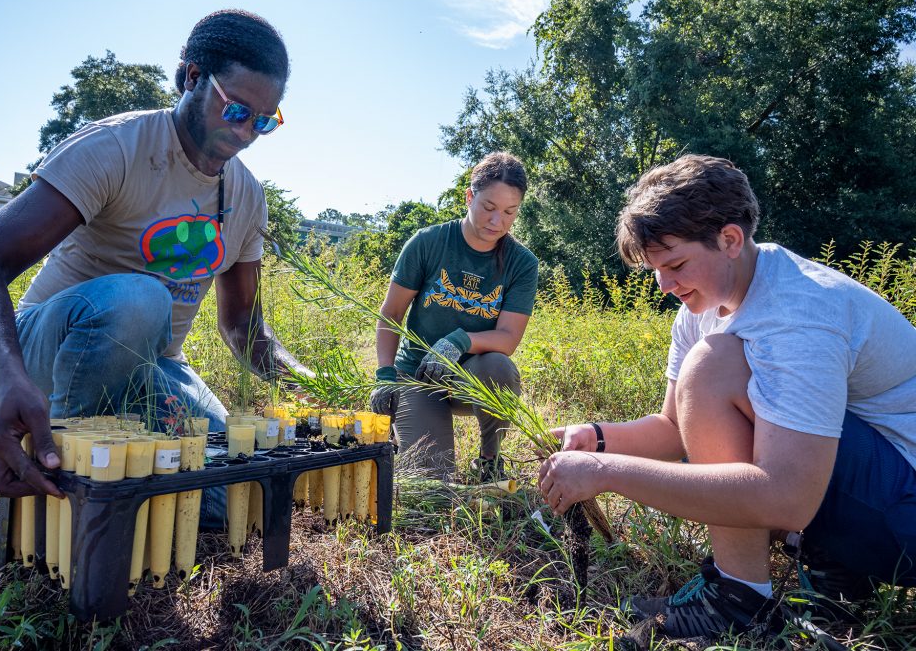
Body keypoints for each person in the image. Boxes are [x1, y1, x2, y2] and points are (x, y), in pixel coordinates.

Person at [0, 9, 311, 526]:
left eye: (266, 121)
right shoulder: (117, 148)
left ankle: (123, 480)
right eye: (237, 111)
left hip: (148, 369)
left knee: (238, 493)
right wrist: (7, 376)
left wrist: (309, 383)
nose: (248, 131)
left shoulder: (246, 197)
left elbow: (242, 325)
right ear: (191, 78)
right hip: (50, 348)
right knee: (142, 302)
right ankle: (69, 476)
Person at [538, 154, 916, 640]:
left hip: (904, 507)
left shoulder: (799, 311)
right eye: (656, 269)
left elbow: (787, 499)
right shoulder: (705, 305)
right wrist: (595, 438)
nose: (664, 285)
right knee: (715, 367)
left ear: (730, 239)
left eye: (675, 264)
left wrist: (605, 474)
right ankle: (836, 581)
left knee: (713, 366)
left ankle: (738, 600)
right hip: (872, 490)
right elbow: (676, 429)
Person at [369, 152, 540, 480]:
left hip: (471, 378)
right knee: (431, 483)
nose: (497, 222)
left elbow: (508, 338)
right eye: (489, 208)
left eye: (509, 213)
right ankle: (411, 432)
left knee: (500, 367)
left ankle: (489, 459)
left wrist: (459, 341)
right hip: (419, 374)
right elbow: (391, 314)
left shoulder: (522, 263)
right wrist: (385, 375)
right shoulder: (428, 243)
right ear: (469, 197)